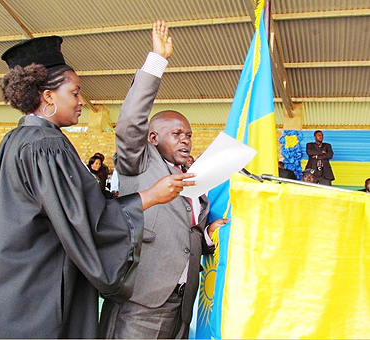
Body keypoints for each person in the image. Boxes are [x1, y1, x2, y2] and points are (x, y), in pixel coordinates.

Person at [0, 35, 194, 339]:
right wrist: (149, 196)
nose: (81, 101)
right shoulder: (46, 146)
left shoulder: (18, 139)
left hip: (9, 280)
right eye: (75, 92)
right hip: (37, 290)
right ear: (49, 97)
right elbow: (85, 220)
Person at [100, 21, 227, 339]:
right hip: (141, 303)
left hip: (182, 303)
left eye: (189, 135)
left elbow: (189, 232)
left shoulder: (195, 177)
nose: (186, 140)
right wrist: (158, 60)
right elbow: (129, 121)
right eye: (177, 134)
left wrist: (208, 235)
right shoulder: (139, 163)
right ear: (153, 138)